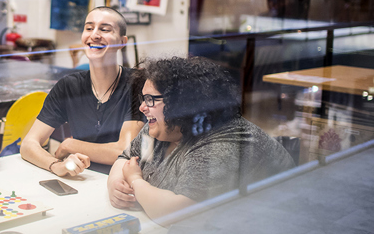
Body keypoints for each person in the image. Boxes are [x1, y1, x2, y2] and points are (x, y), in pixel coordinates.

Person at [107, 57, 295, 221]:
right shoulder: (162, 128)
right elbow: (126, 158)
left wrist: (135, 181)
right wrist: (115, 185)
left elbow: (179, 213)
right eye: (143, 98)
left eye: (150, 99)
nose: (142, 107)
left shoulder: (222, 143)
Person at [20, 7, 144, 176]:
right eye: (89, 28)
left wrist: (70, 145)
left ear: (122, 42)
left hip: (122, 182)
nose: (95, 35)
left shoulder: (138, 84)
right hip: (82, 179)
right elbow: (29, 144)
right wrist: (56, 165)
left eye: (105, 29)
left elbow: (124, 150)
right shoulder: (68, 87)